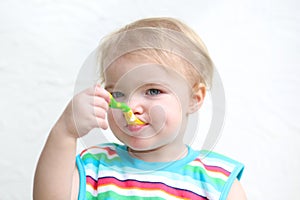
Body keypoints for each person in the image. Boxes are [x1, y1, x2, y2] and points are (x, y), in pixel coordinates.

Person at [33, 17, 247, 200]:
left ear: (194, 98)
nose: (130, 107)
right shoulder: (94, 166)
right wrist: (65, 132)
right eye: (118, 93)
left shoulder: (217, 181)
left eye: (153, 91)